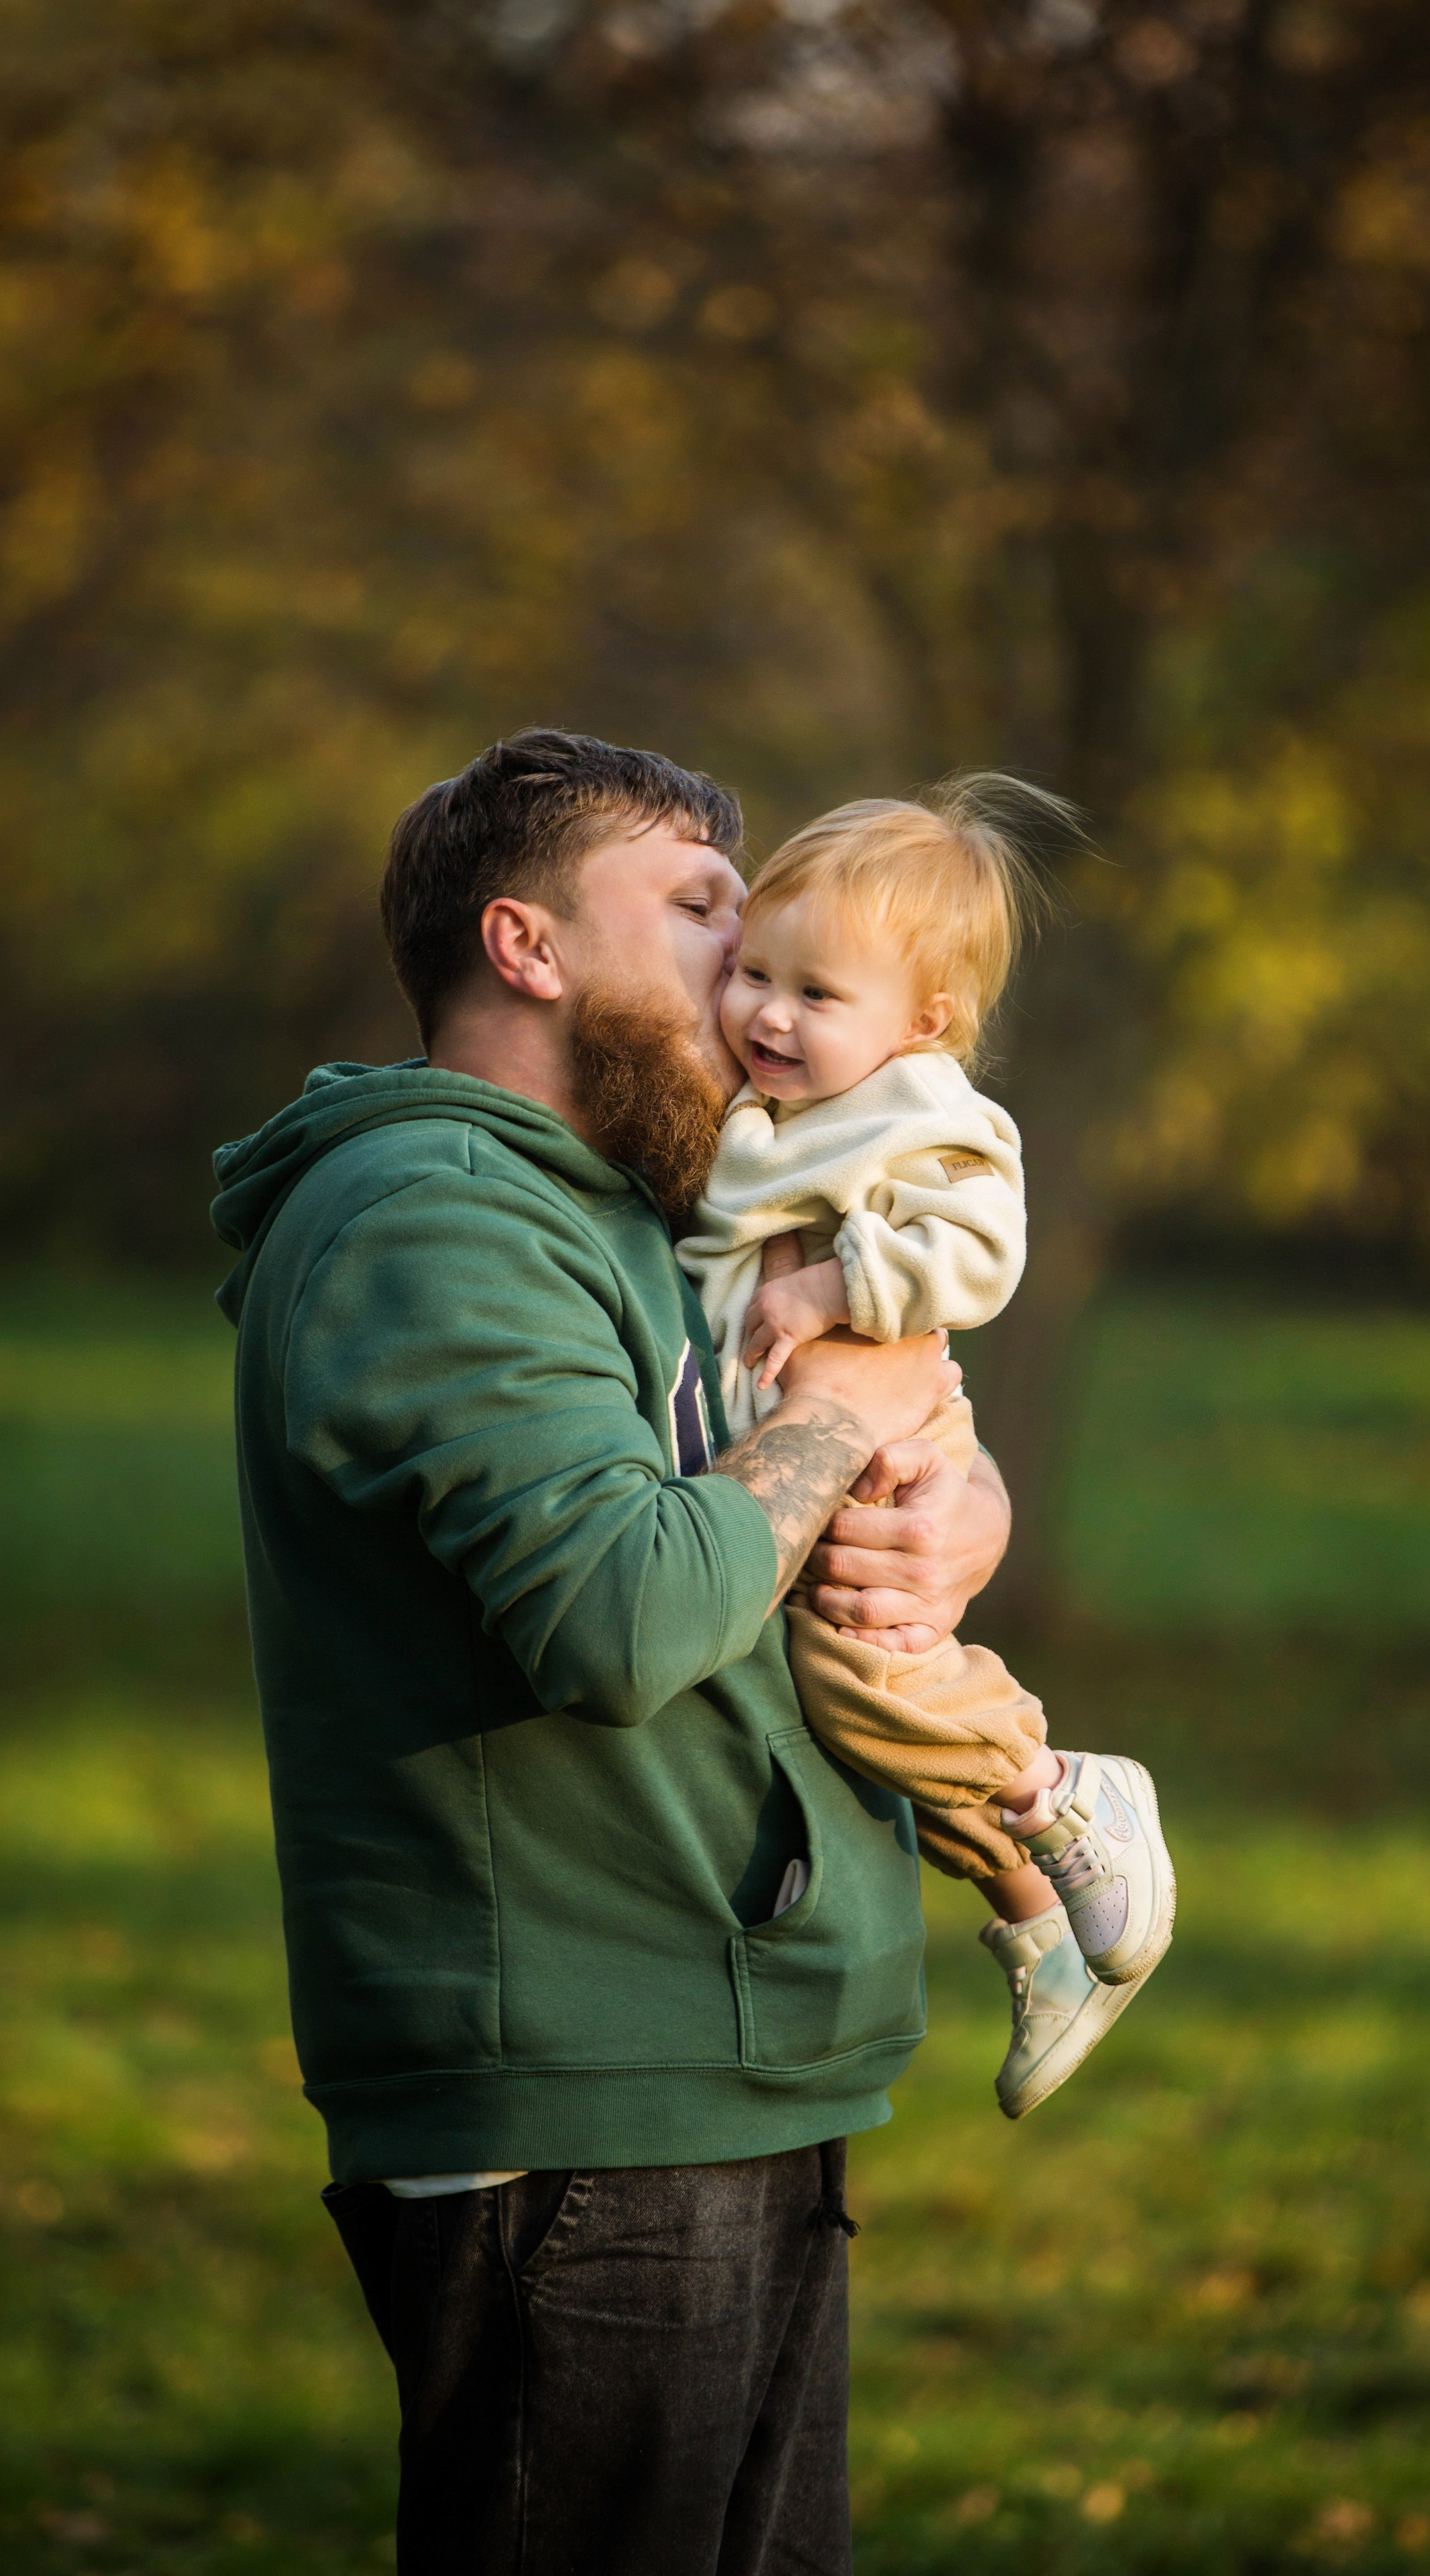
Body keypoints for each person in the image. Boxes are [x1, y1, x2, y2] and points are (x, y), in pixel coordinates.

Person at [209, 729, 1017, 2576]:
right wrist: (843, 1416)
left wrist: (954, 1497)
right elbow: (631, 1613)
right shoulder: (433, 1215)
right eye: (703, 912)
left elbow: (800, 1468)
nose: (750, 968)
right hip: (577, 2100)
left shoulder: (642, 1211)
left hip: (717, 2053)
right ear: (528, 946)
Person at [675, 779, 1176, 2121]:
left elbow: (975, 1250)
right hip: (807, 1443)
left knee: (861, 1683)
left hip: (887, 1426)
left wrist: (828, 1294)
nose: (766, 1014)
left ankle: (1059, 1790)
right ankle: (1039, 1919)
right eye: (755, 976)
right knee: (863, 1711)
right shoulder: (773, 1101)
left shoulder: (919, 1112)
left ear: (922, 1024)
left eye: (814, 994)